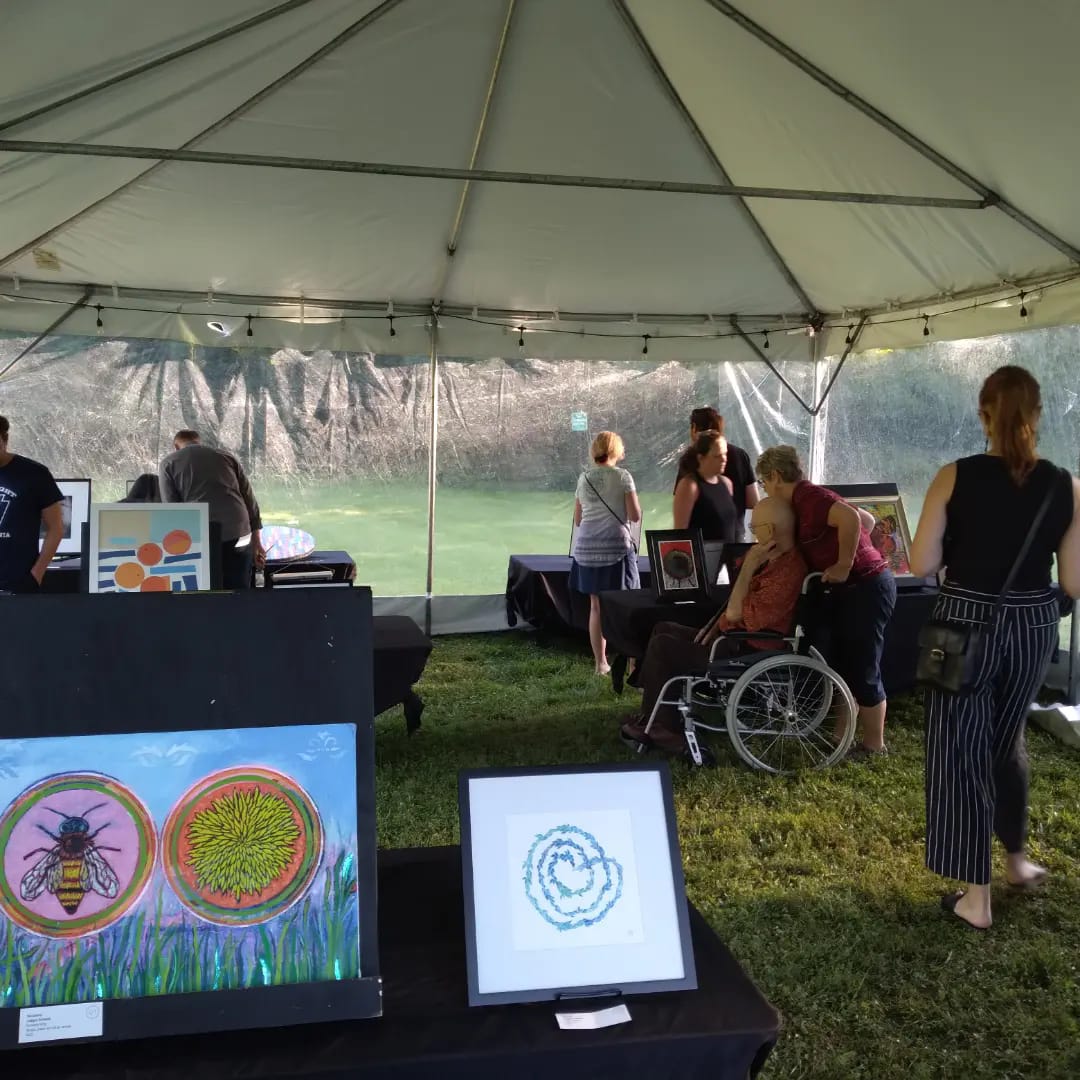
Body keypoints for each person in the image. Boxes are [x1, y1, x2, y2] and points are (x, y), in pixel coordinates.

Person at [909, 365, 1080, 929]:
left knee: (960, 748)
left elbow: (922, 564)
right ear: (1036, 415)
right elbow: (1075, 583)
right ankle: (1016, 861)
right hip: (1033, 625)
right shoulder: (1066, 485)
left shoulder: (953, 476)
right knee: (1006, 741)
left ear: (984, 414)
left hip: (962, 620)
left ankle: (974, 896)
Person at [620, 497, 807, 752]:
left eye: (756, 528)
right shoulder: (774, 560)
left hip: (749, 650)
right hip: (736, 639)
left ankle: (664, 728)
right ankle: (652, 715)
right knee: (663, 628)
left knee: (665, 647)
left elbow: (733, 613)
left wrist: (751, 563)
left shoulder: (788, 571)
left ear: (771, 530)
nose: (753, 533)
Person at [756, 445, 896, 758]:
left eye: (764, 483)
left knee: (863, 667)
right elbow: (867, 522)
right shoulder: (811, 498)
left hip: (867, 586)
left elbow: (850, 518)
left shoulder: (810, 497)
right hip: (853, 589)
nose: (764, 490)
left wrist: (846, 562)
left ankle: (875, 745)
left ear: (776, 477)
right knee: (846, 664)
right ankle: (839, 736)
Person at [569, 431, 642, 675]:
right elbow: (635, 516)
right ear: (616, 451)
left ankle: (601, 663)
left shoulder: (584, 478)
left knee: (596, 607)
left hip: (586, 550)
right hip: (616, 550)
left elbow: (578, 519)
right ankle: (632, 664)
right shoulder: (623, 477)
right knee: (628, 605)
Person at [159, 430, 265, 590]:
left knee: (208, 588)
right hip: (239, 532)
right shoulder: (227, 457)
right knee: (238, 586)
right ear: (199, 442)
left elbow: (172, 510)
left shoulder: (168, 463)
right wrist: (257, 543)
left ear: (176, 446)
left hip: (201, 536)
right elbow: (250, 501)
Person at [0, 415, 64, 593]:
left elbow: (56, 528)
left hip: (19, 583)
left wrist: (37, 573)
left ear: (5, 440)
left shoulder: (35, 474)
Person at [675, 407, 759, 521]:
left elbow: (681, 509)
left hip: (700, 535)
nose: (722, 460)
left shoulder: (691, 458)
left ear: (694, 428)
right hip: (735, 534)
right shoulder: (740, 455)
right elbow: (753, 501)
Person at [672, 431, 742, 542]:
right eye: (717, 456)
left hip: (728, 556)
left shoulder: (727, 483)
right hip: (703, 557)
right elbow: (680, 533)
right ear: (701, 458)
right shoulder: (689, 486)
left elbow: (732, 527)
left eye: (725, 454)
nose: (724, 459)